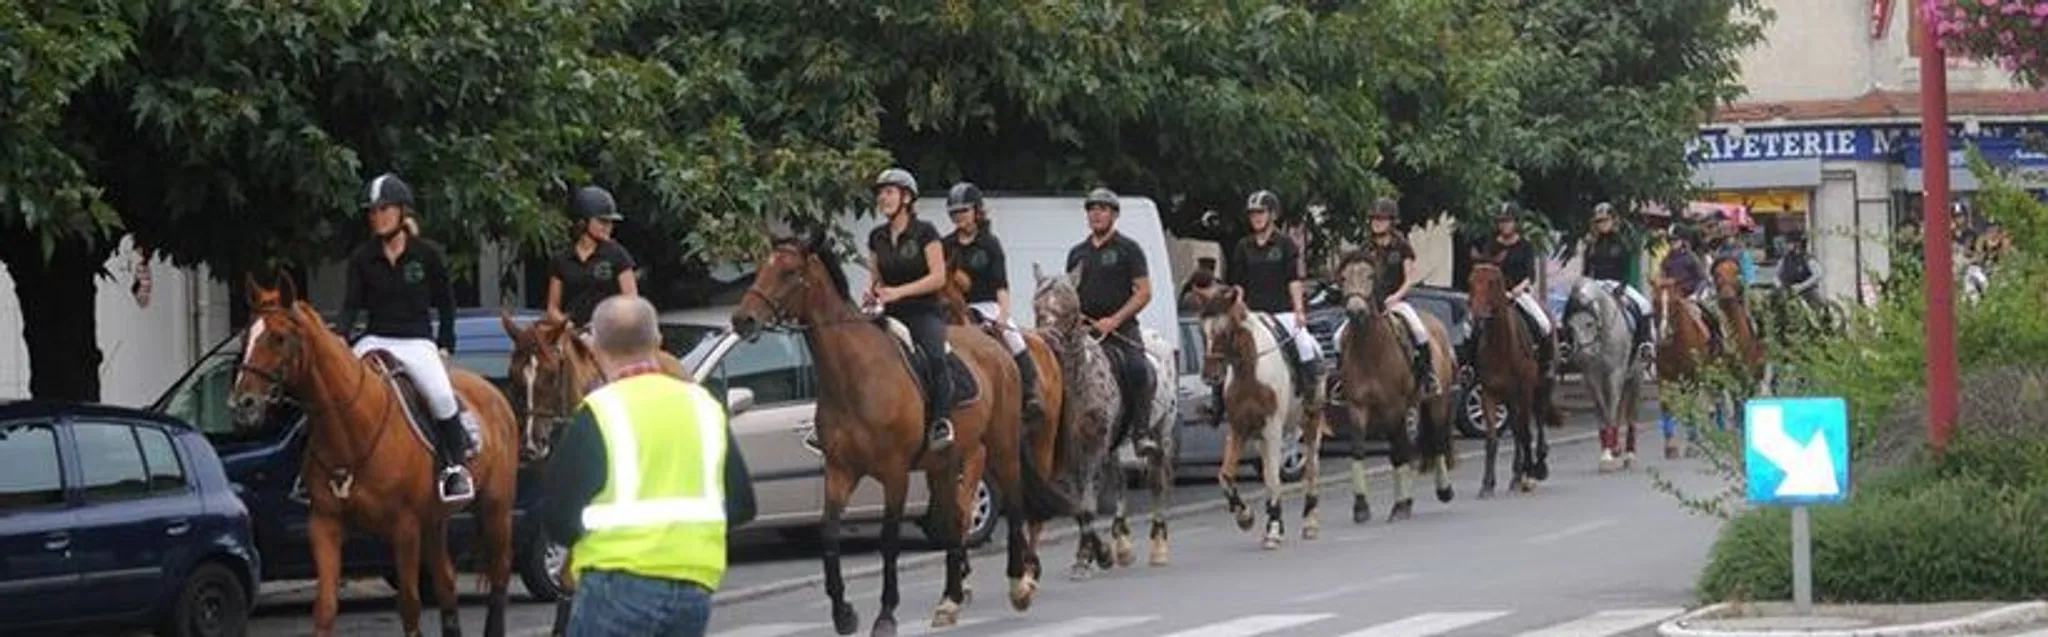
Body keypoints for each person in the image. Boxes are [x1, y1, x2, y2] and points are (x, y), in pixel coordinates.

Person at [541, 295, 757, 637]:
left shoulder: (600, 411)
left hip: (614, 583)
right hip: (693, 587)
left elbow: (557, 516)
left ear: (595, 349)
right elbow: (742, 505)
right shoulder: (704, 406)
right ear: (658, 342)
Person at [337, 173, 472, 502]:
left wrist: (446, 343)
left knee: (441, 396)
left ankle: (456, 468)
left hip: (416, 341)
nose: (377, 216)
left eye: (384, 209)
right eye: (372, 211)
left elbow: (446, 303)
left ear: (402, 211)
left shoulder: (427, 254)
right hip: (375, 338)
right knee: (338, 390)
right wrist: (341, 336)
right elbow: (351, 305)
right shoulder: (362, 258)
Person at [864, 168, 956, 452]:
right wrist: (872, 292)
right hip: (888, 312)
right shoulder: (876, 236)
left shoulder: (925, 232)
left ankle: (941, 421)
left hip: (923, 311)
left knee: (936, 358)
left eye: (889, 192)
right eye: (880, 193)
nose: (882, 198)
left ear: (906, 198)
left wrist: (899, 292)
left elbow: (938, 277)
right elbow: (876, 278)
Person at [942, 181, 1047, 424]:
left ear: (977, 211)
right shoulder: (945, 245)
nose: (959, 216)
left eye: (964, 211)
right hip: (952, 306)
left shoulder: (989, 243)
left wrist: (1003, 316)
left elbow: (1001, 285)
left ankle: (1031, 392)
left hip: (986, 304)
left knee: (1015, 339)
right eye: (954, 212)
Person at [1065, 187, 1159, 458]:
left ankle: (1141, 432)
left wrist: (1114, 320)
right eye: (1092, 209)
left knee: (1139, 369)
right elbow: (1069, 293)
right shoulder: (1077, 253)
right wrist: (1076, 318)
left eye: (1102, 209)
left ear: (1114, 215)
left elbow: (1144, 292)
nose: (1096, 214)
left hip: (1121, 328)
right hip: (1085, 331)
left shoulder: (1129, 249)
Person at [1223, 190, 1325, 393]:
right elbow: (1239, 284)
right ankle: (1218, 399)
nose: (1256, 218)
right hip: (1253, 314)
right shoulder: (1243, 246)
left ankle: (1309, 391)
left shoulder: (1285, 244)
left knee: (1304, 345)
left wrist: (1299, 311)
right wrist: (1236, 307)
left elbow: (1293, 281)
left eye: (1261, 213)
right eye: (1253, 214)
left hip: (1281, 312)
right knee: (1225, 349)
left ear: (1272, 215)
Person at [1338, 198, 1437, 392]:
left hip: (1396, 302)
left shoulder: (1402, 247)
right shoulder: (1365, 248)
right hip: (1370, 303)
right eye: (1374, 219)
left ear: (1392, 222)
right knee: (1337, 337)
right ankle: (1343, 380)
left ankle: (1428, 376)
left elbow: (1410, 278)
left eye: (1382, 219)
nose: (1377, 223)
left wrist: (1396, 296)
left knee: (1419, 331)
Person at [1470, 202, 1554, 363]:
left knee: (1543, 324)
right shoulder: (1491, 245)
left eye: (1508, 221)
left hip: (1518, 293)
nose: (1504, 225)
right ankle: (1470, 366)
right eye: (1501, 221)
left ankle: (1544, 361)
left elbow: (1530, 275)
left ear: (1516, 223)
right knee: (1473, 328)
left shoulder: (1525, 246)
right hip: (1495, 295)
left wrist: (1518, 289)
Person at [548, 185, 640, 329]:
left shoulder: (617, 254)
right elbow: (553, 308)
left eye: (610, 222)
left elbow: (631, 301)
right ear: (582, 223)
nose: (608, 226)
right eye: (602, 221)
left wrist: (606, 324)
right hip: (573, 331)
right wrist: (566, 324)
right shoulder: (562, 259)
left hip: (609, 331)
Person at [1580, 202, 1653, 357]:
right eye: (1599, 221)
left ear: (1613, 221)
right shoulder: (1591, 245)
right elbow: (1586, 271)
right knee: (1575, 305)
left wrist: (1622, 286)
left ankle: (1645, 344)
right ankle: (1569, 344)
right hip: (1596, 285)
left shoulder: (1622, 243)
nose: (1602, 224)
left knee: (1644, 305)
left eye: (1605, 220)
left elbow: (1626, 270)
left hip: (1616, 284)